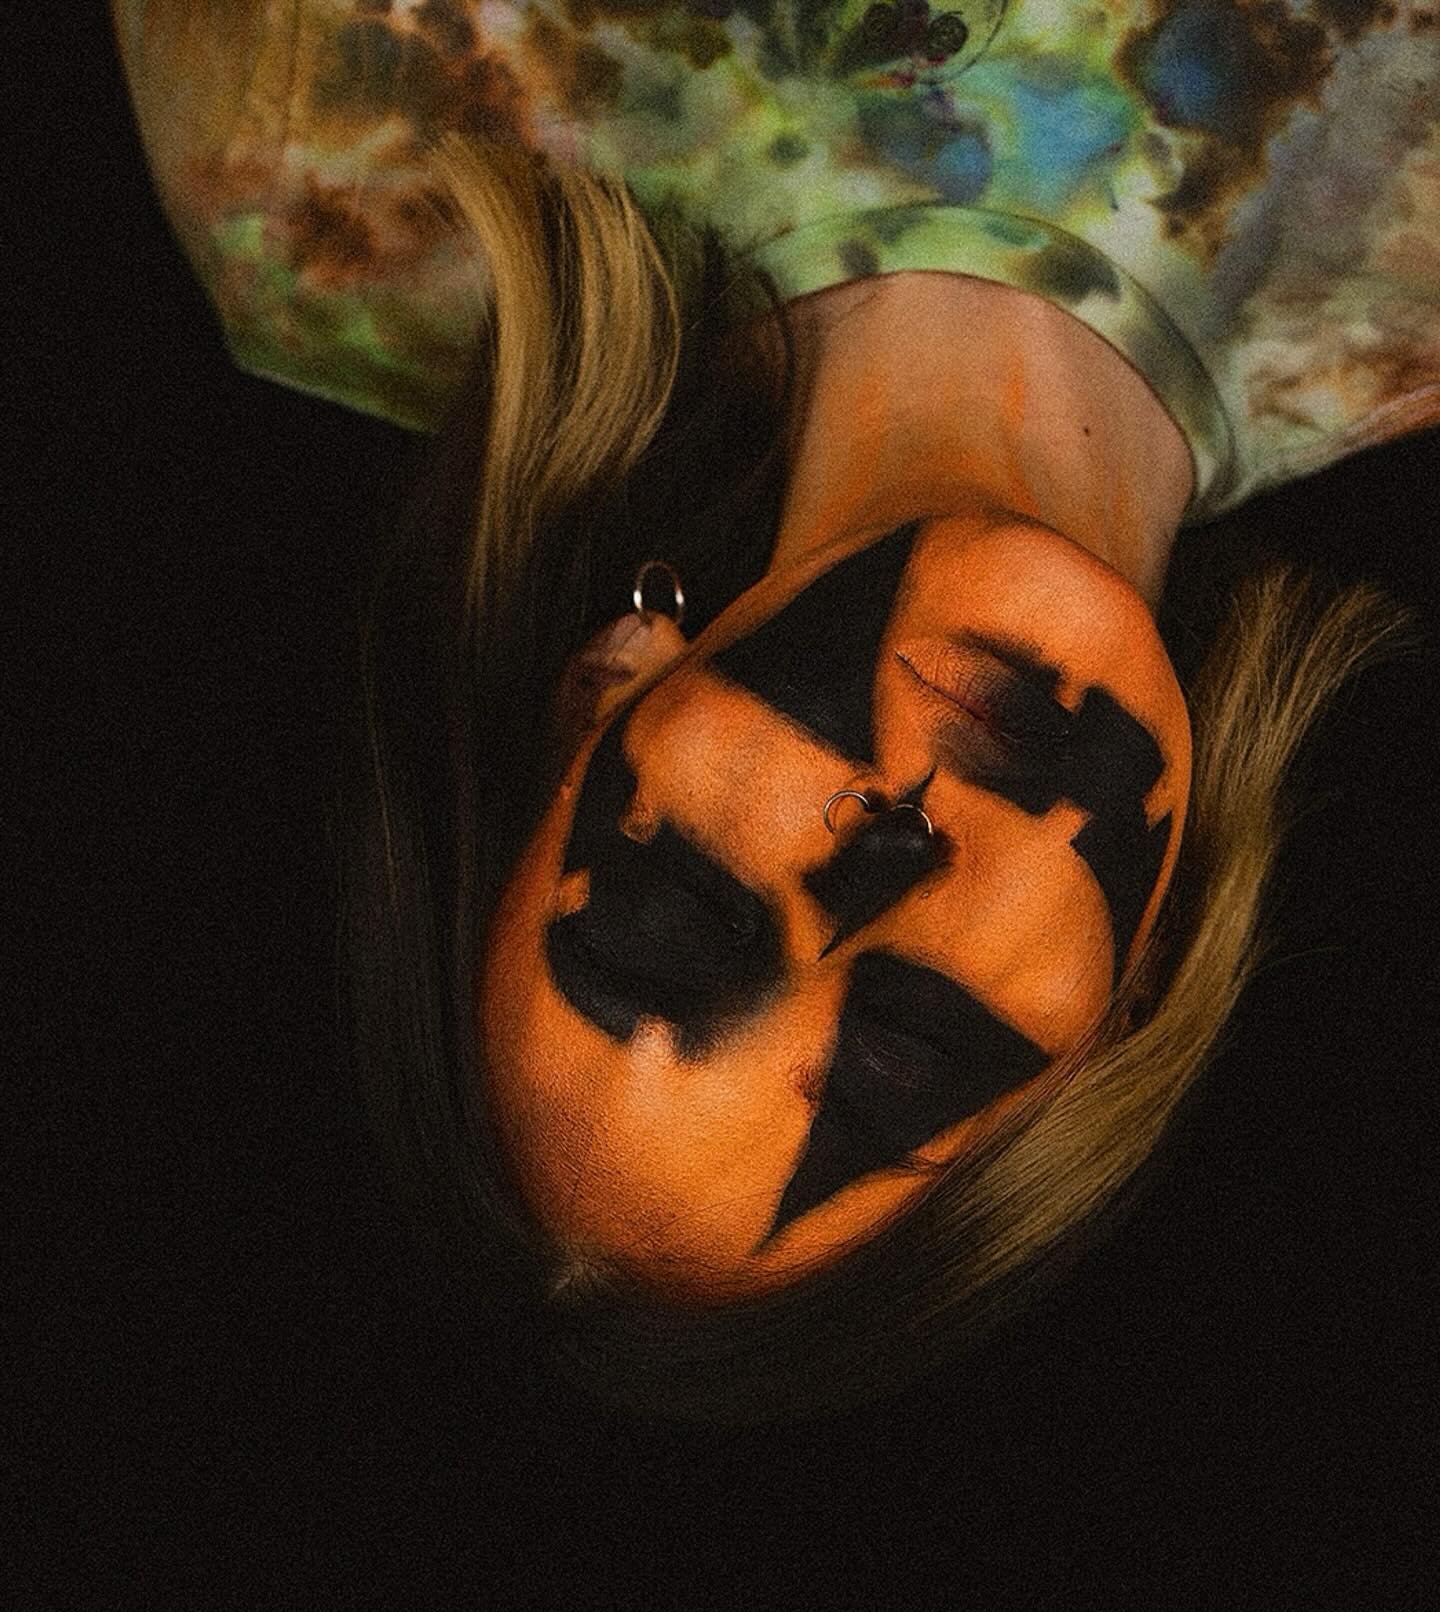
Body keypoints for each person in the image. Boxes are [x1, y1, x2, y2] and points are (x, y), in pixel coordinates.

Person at [111, 0, 1433, 1423]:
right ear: (1123, 1011)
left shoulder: (325, 139)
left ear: (607, 683)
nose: (886, 865)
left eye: (695, 916)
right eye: (907, 1046)